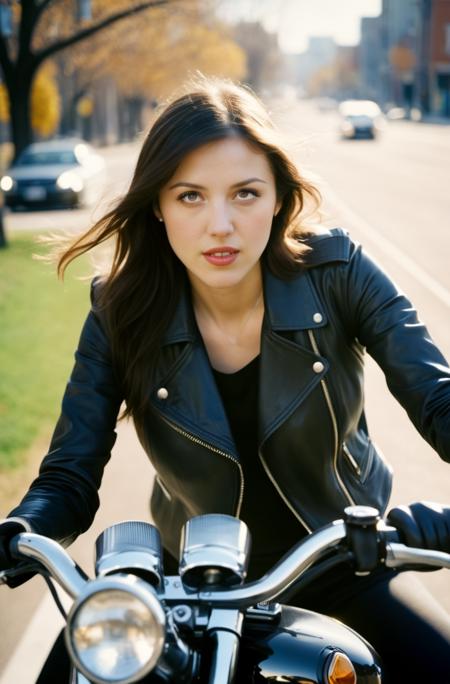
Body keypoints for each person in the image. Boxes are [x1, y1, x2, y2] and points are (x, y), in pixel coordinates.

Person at [1, 76, 450, 682]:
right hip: (185, 586)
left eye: (244, 193)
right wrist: (23, 527)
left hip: (348, 560)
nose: (220, 224)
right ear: (157, 206)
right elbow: (69, 471)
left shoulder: (339, 271)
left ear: (278, 199)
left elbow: (437, 397)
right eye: (190, 196)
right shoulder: (119, 310)